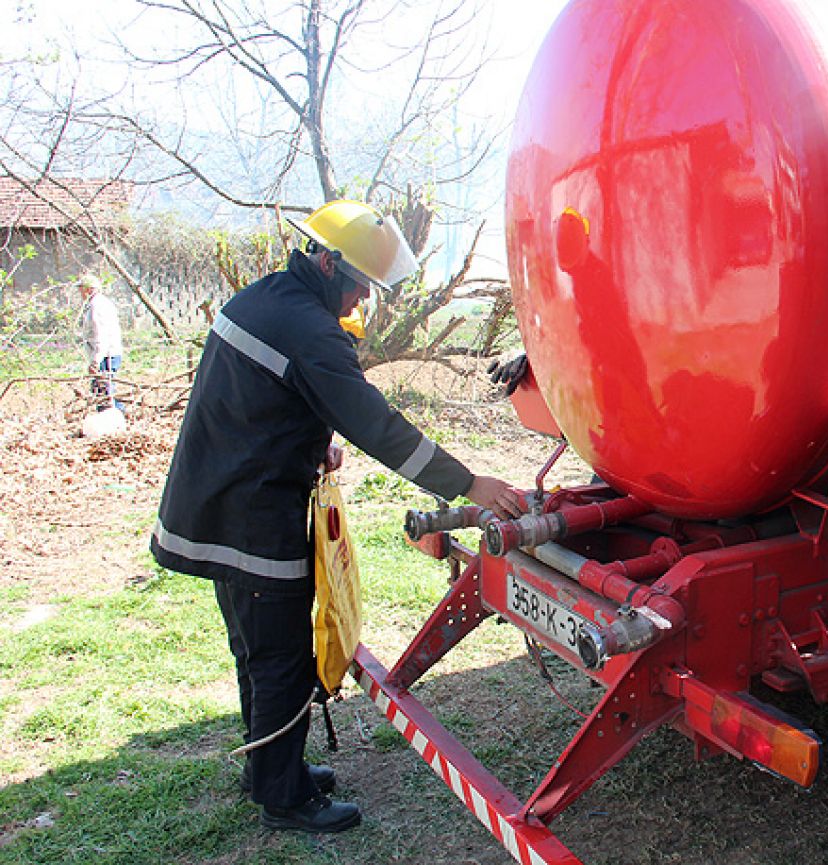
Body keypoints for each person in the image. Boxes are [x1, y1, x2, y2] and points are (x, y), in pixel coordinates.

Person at [150, 200, 527, 835]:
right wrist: (469, 484)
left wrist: (308, 437)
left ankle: (269, 768)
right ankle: (285, 796)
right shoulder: (310, 328)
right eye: (357, 284)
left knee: (254, 648)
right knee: (281, 656)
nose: (360, 300)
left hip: (215, 500)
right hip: (250, 516)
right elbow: (377, 426)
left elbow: (258, 396)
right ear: (326, 263)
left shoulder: (265, 300)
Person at [79, 274, 125, 412]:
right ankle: (112, 414)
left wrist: (95, 360)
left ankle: (115, 415)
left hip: (106, 355)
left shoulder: (97, 306)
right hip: (106, 353)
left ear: (89, 289)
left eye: (81, 288)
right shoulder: (99, 303)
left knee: (105, 390)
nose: (80, 292)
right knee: (102, 389)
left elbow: (101, 335)